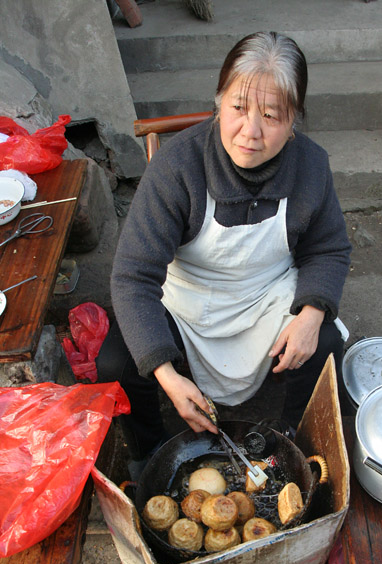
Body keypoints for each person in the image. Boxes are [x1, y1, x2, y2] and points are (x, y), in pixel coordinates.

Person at [97, 31, 352, 476]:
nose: (250, 132)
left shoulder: (311, 166)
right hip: (186, 300)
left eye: (271, 116)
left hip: (267, 296)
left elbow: (328, 248)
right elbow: (133, 277)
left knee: (328, 342)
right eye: (238, 109)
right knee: (116, 362)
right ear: (218, 102)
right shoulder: (178, 167)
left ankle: (292, 444)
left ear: (294, 122)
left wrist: (311, 316)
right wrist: (166, 374)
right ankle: (150, 455)